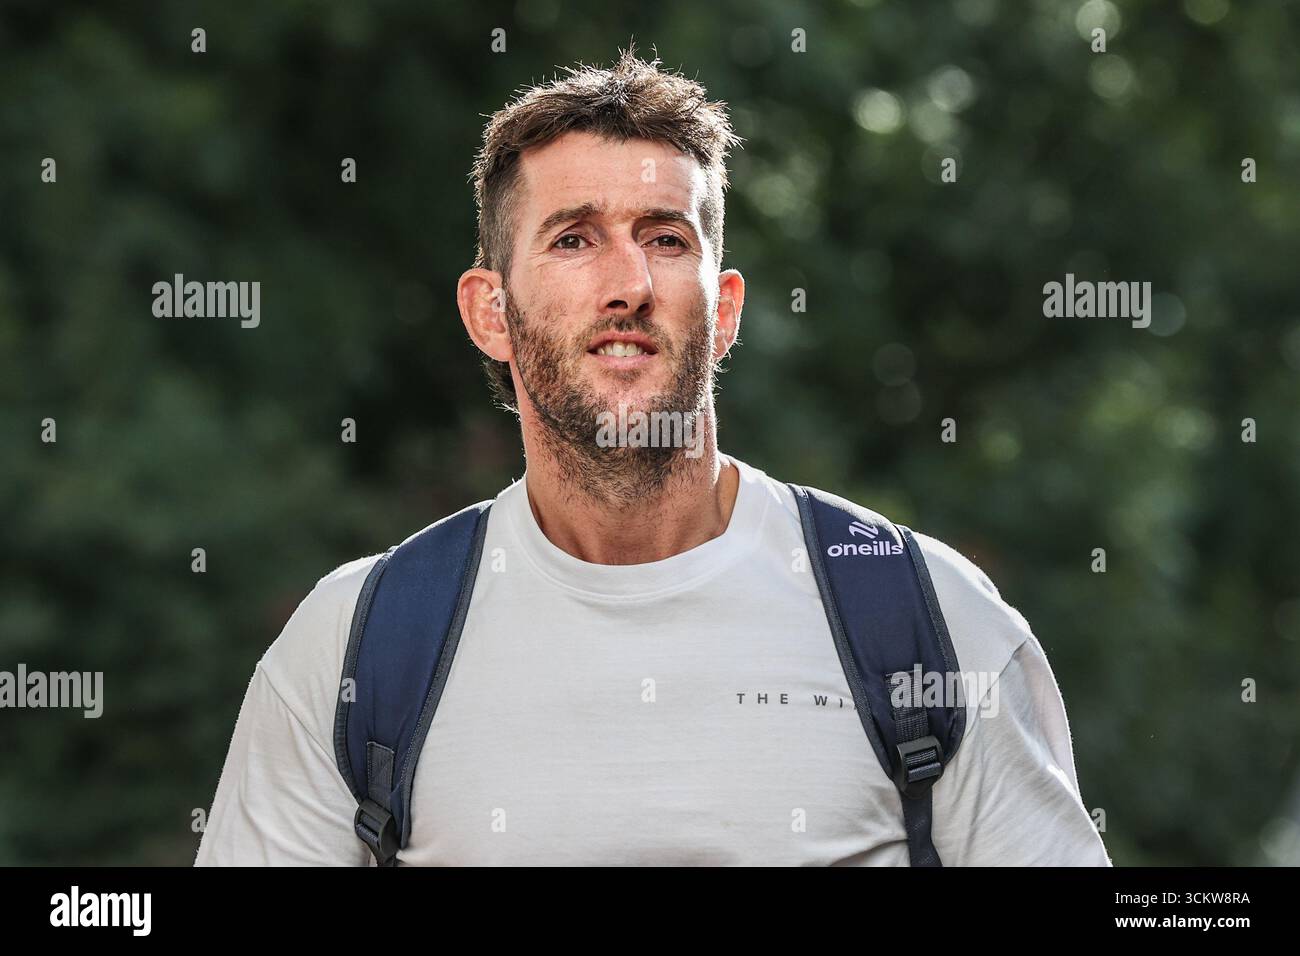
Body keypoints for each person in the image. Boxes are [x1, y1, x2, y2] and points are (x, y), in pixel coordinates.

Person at [195, 46, 1111, 866]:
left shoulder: (924, 620)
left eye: (666, 239)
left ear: (724, 309)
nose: (629, 285)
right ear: (489, 312)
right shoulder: (358, 648)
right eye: (573, 239)